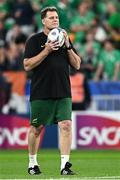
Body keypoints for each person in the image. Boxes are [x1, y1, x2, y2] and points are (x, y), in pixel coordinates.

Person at [23, 6, 81, 175]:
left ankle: (65, 166)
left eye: (56, 17)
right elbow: (27, 65)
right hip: (41, 91)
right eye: (51, 17)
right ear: (43, 21)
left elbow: (77, 64)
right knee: (36, 127)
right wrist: (46, 50)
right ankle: (32, 163)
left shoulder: (64, 38)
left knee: (66, 125)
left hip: (63, 90)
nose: (55, 20)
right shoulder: (34, 40)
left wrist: (68, 46)